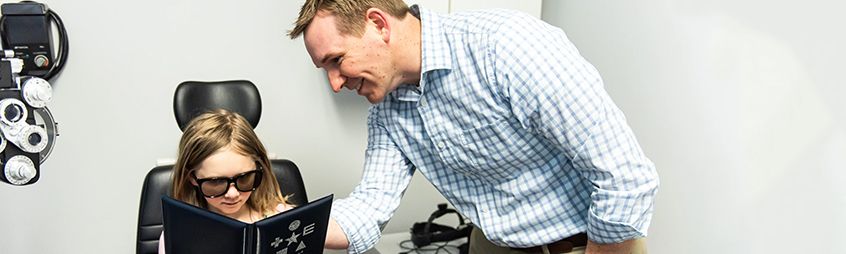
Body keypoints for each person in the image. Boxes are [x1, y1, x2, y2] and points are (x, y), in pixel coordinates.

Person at [288, 1, 659, 253]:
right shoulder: (387, 111)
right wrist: (276, 225)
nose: (336, 83)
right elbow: (369, 209)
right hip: (494, 245)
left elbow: (624, 178)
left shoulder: (506, 46)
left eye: (336, 61)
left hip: (587, 243)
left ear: (378, 25)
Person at [157, 109, 292, 253]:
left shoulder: (283, 218)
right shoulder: (177, 237)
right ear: (192, 177)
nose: (233, 194)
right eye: (216, 182)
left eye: (245, 178)